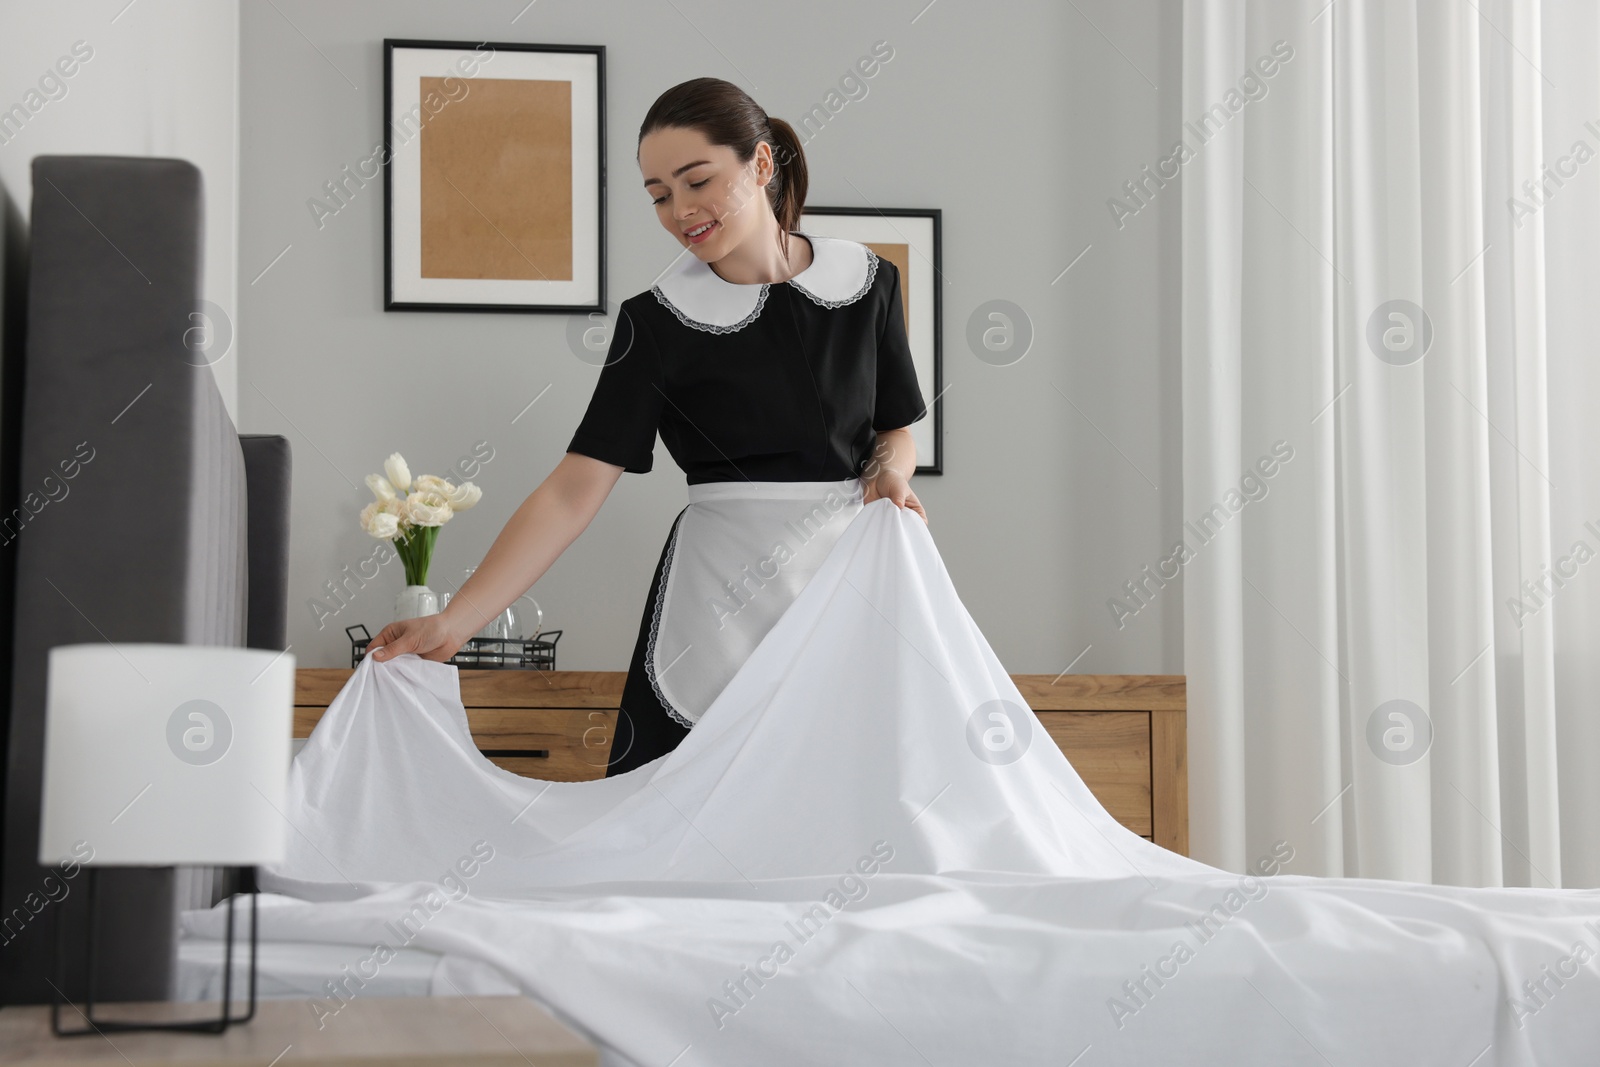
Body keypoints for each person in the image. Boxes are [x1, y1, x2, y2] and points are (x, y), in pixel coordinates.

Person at [367, 76, 929, 776]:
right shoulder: (656, 322)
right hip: (716, 595)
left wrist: (889, 475)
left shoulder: (867, 282)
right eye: (659, 195)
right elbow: (574, 490)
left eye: (697, 182)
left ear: (759, 164)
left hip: (846, 575)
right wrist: (453, 623)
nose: (680, 211)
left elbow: (895, 430)